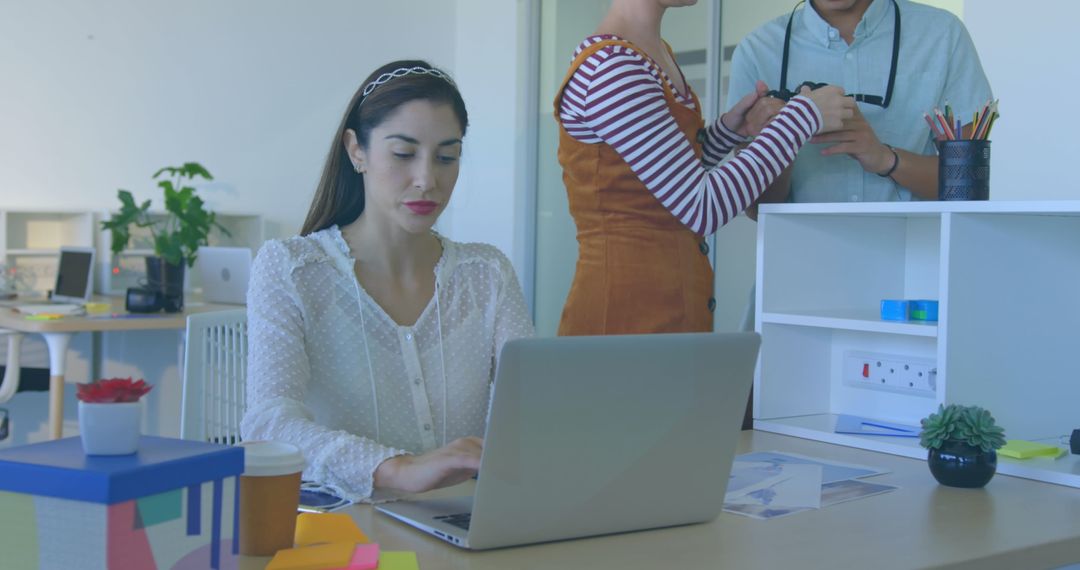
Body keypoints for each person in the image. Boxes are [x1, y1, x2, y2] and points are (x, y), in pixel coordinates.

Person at [242, 60, 534, 502]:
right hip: (343, 528)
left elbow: (534, 405)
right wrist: (395, 469)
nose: (427, 180)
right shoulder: (292, 268)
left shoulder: (486, 273)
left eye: (446, 157)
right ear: (356, 150)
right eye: (403, 154)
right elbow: (268, 424)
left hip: (467, 523)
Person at [554, 0, 855, 336]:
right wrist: (802, 118)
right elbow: (701, 206)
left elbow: (661, 180)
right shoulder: (612, 68)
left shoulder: (648, 54)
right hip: (622, 324)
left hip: (667, 315)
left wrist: (729, 132)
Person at [728, 0, 993, 209]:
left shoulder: (941, 35)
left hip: (914, 262)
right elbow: (755, 208)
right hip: (801, 262)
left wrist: (885, 158)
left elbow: (970, 186)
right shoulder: (757, 51)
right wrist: (783, 137)